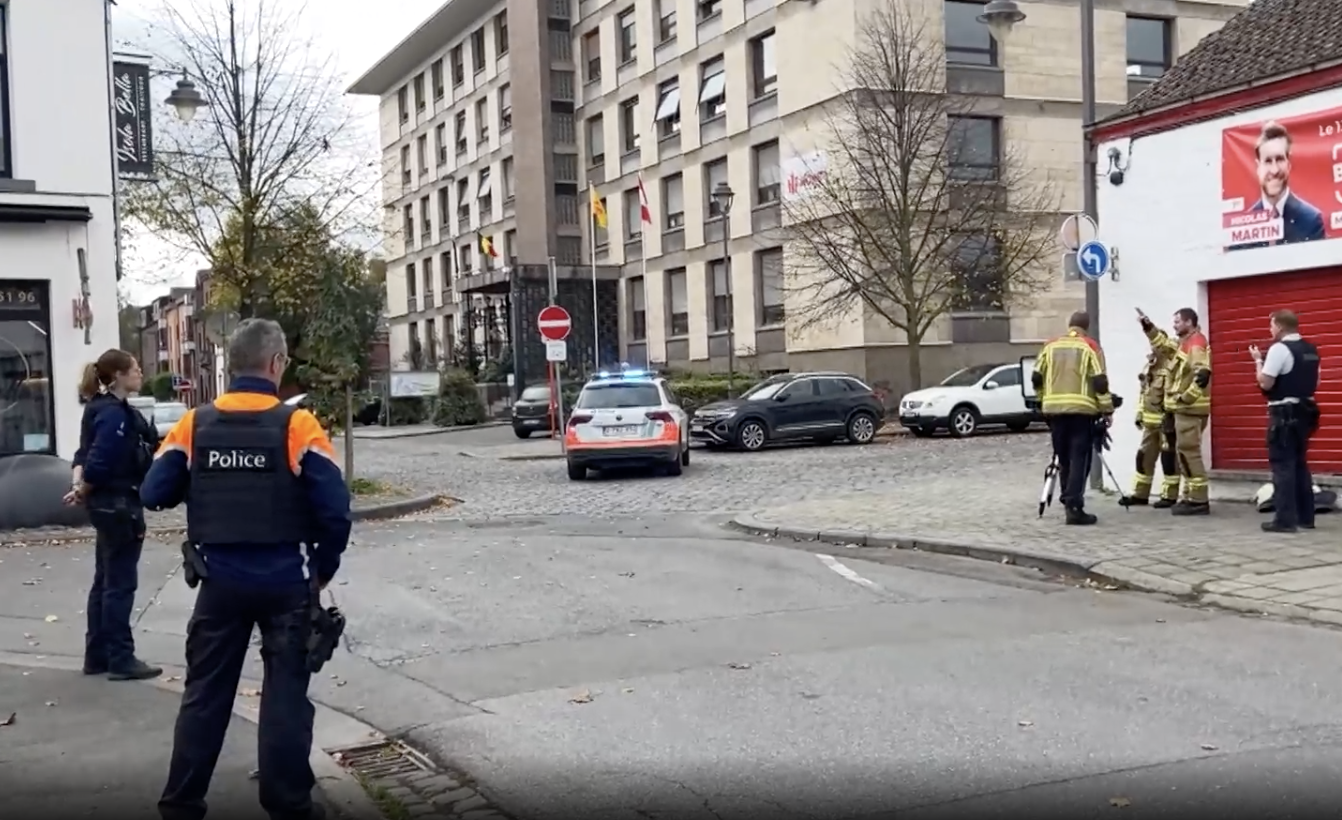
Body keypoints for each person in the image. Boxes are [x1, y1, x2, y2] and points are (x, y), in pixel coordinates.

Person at [142, 319, 352, 820]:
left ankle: (181, 803)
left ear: (231, 365)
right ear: (276, 364)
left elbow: (154, 493)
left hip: (220, 585)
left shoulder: (194, 423)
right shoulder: (298, 426)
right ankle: (287, 804)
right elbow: (335, 511)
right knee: (284, 699)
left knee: (205, 695)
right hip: (286, 584)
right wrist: (322, 569)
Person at [66, 350, 162, 681]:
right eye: (135, 369)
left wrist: (79, 486)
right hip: (120, 504)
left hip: (105, 506)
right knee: (120, 583)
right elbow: (100, 459)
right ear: (119, 375)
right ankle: (121, 657)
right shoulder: (115, 416)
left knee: (104, 580)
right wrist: (84, 487)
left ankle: (97, 655)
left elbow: (82, 453)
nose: (140, 373)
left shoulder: (97, 408)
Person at [1032, 311, 1114, 526]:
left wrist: (1043, 401)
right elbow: (1099, 382)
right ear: (1086, 327)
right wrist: (1107, 410)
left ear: (1070, 325)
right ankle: (1074, 506)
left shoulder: (1050, 345)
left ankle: (1067, 498)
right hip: (1081, 411)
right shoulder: (1090, 347)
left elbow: (1036, 376)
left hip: (1054, 411)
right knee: (1079, 457)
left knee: (1063, 457)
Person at [1252, 309, 1321, 533]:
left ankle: (1284, 520)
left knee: (1283, 466)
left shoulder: (1279, 349)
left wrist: (1258, 362)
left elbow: (1266, 383)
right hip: (1306, 411)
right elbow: (1315, 381)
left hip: (1283, 412)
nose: (1270, 330)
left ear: (1280, 327)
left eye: (1271, 326)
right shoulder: (1311, 350)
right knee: (1300, 464)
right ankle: (1306, 517)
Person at [1149, 307, 1213, 516]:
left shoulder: (1195, 343)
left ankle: (1198, 500)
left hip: (1189, 410)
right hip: (1181, 409)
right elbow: (1164, 346)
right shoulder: (1183, 344)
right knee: (1183, 453)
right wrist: (1148, 327)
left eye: (1177, 321)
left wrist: (1185, 398)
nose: (1174, 325)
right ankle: (1189, 497)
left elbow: (1202, 375)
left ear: (1188, 322)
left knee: (1189, 453)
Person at [1124, 308, 1181, 508]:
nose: (1153, 349)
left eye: (1157, 346)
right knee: (1143, 457)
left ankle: (1169, 496)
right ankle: (1140, 494)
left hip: (1166, 423)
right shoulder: (1149, 368)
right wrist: (1139, 413)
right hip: (1149, 424)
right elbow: (1144, 393)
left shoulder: (1173, 367)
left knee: (1169, 459)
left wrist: (1171, 417)